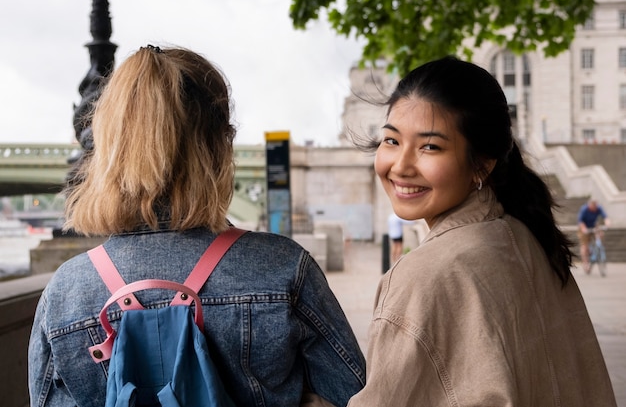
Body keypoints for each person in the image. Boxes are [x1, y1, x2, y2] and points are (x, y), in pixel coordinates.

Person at [28, 45, 365, 407]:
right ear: (220, 146)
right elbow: (358, 394)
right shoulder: (284, 268)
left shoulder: (64, 292)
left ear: (108, 149)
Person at [348, 56, 616, 406]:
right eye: (391, 140)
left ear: (482, 164)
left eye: (430, 146)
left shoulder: (423, 277)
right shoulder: (527, 237)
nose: (401, 166)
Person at [577, 198, 611, 274]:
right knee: (584, 246)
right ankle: (585, 264)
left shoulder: (598, 208)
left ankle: (598, 248)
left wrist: (607, 223)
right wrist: (584, 229)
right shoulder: (584, 209)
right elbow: (580, 221)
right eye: (593, 207)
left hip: (594, 226)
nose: (595, 209)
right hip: (584, 227)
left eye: (596, 207)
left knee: (601, 233)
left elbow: (605, 217)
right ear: (590, 205)